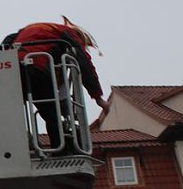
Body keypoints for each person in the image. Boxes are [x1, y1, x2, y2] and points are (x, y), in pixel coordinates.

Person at [9, 16, 109, 153]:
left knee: (13, 110)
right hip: (36, 67)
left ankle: (24, 144)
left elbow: (8, 39)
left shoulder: (34, 29)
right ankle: (59, 150)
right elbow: (85, 64)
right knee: (51, 113)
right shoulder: (67, 33)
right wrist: (98, 97)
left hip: (12, 67)